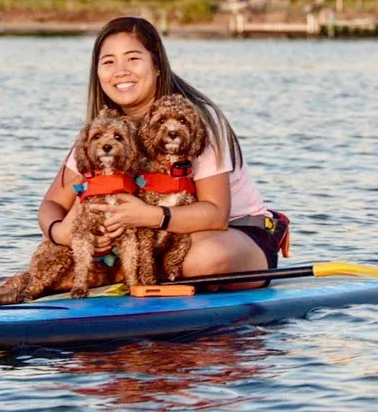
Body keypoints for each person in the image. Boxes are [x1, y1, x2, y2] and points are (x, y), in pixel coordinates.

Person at [39, 17, 289, 289]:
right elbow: (51, 205)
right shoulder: (104, 131)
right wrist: (61, 233)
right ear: (97, 73)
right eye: (108, 62)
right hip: (145, 241)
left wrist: (148, 215)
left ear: (157, 65)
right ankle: (128, 272)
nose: (120, 71)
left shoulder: (194, 119)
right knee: (51, 269)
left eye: (133, 59)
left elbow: (216, 214)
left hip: (230, 234)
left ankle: (134, 273)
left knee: (202, 260)